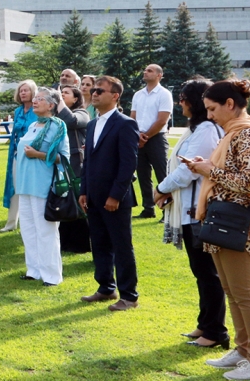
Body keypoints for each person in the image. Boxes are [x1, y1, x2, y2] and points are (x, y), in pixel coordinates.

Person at [191, 79, 250, 381]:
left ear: (230, 104)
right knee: (232, 292)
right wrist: (208, 167)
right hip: (222, 222)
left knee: (247, 294)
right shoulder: (232, 134)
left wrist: (209, 171)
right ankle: (243, 351)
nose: (210, 115)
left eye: (213, 109)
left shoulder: (248, 135)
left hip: (239, 224)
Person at [154, 79, 227, 349]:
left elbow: (188, 171)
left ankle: (215, 331)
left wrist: (161, 189)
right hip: (188, 209)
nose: (180, 102)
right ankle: (204, 323)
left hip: (199, 210)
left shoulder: (207, 130)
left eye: (184, 97)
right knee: (200, 271)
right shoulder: (197, 128)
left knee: (209, 273)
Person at [79, 75, 142, 311]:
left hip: (115, 198)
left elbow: (128, 164)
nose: (94, 93)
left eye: (100, 90)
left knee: (122, 246)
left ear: (115, 96)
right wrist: (84, 190)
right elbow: (89, 162)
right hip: (93, 196)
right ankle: (106, 287)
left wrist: (115, 195)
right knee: (99, 243)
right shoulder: (92, 124)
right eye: (93, 90)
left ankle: (129, 296)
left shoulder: (125, 123)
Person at [14, 88, 70, 285]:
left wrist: (38, 155)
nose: (35, 101)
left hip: (43, 184)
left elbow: (63, 158)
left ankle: (52, 275)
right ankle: (34, 270)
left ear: (51, 105)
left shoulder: (58, 126)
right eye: (35, 98)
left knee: (45, 230)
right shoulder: (33, 125)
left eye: (40, 99)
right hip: (24, 184)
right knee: (28, 229)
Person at [131, 63, 174, 220]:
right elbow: (133, 117)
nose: (145, 72)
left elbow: (162, 120)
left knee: (162, 174)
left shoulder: (164, 94)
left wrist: (146, 136)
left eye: (149, 70)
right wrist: (137, 135)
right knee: (143, 175)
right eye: (145, 69)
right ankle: (148, 208)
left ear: (159, 75)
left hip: (156, 138)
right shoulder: (138, 95)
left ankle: (167, 210)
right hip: (139, 138)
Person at [57, 84, 91, 254]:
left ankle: (82, 244)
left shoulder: (83, 113)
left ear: (76, 98)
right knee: (64, 200)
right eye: (60, 93)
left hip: (77, 165)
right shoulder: (56, 116)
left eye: (66, 93)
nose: (61, 95)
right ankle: (65, 242)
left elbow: (72, 121)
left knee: (78, 202)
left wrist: (59, 102)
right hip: (60, 165)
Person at [0, 80, 38, 232]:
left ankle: (29, 223)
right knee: (14, 186)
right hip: (16, 153)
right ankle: (11, 223)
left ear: (33, 92)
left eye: (26, 90)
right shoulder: (17, 111)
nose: (23, 93)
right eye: (21, 90)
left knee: (29, 187)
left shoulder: (37, 110)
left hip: (32, 154)